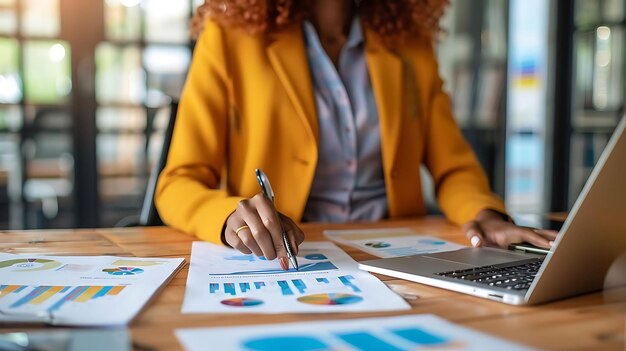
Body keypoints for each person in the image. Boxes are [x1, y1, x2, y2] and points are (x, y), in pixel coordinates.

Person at [155, 0, 557, 268]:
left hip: (398, 258)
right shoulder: (229, 38)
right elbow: (178, 183)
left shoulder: (410, 43)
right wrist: (228, 218)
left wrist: (485, 217)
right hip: (288, 258)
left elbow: (453, 168)